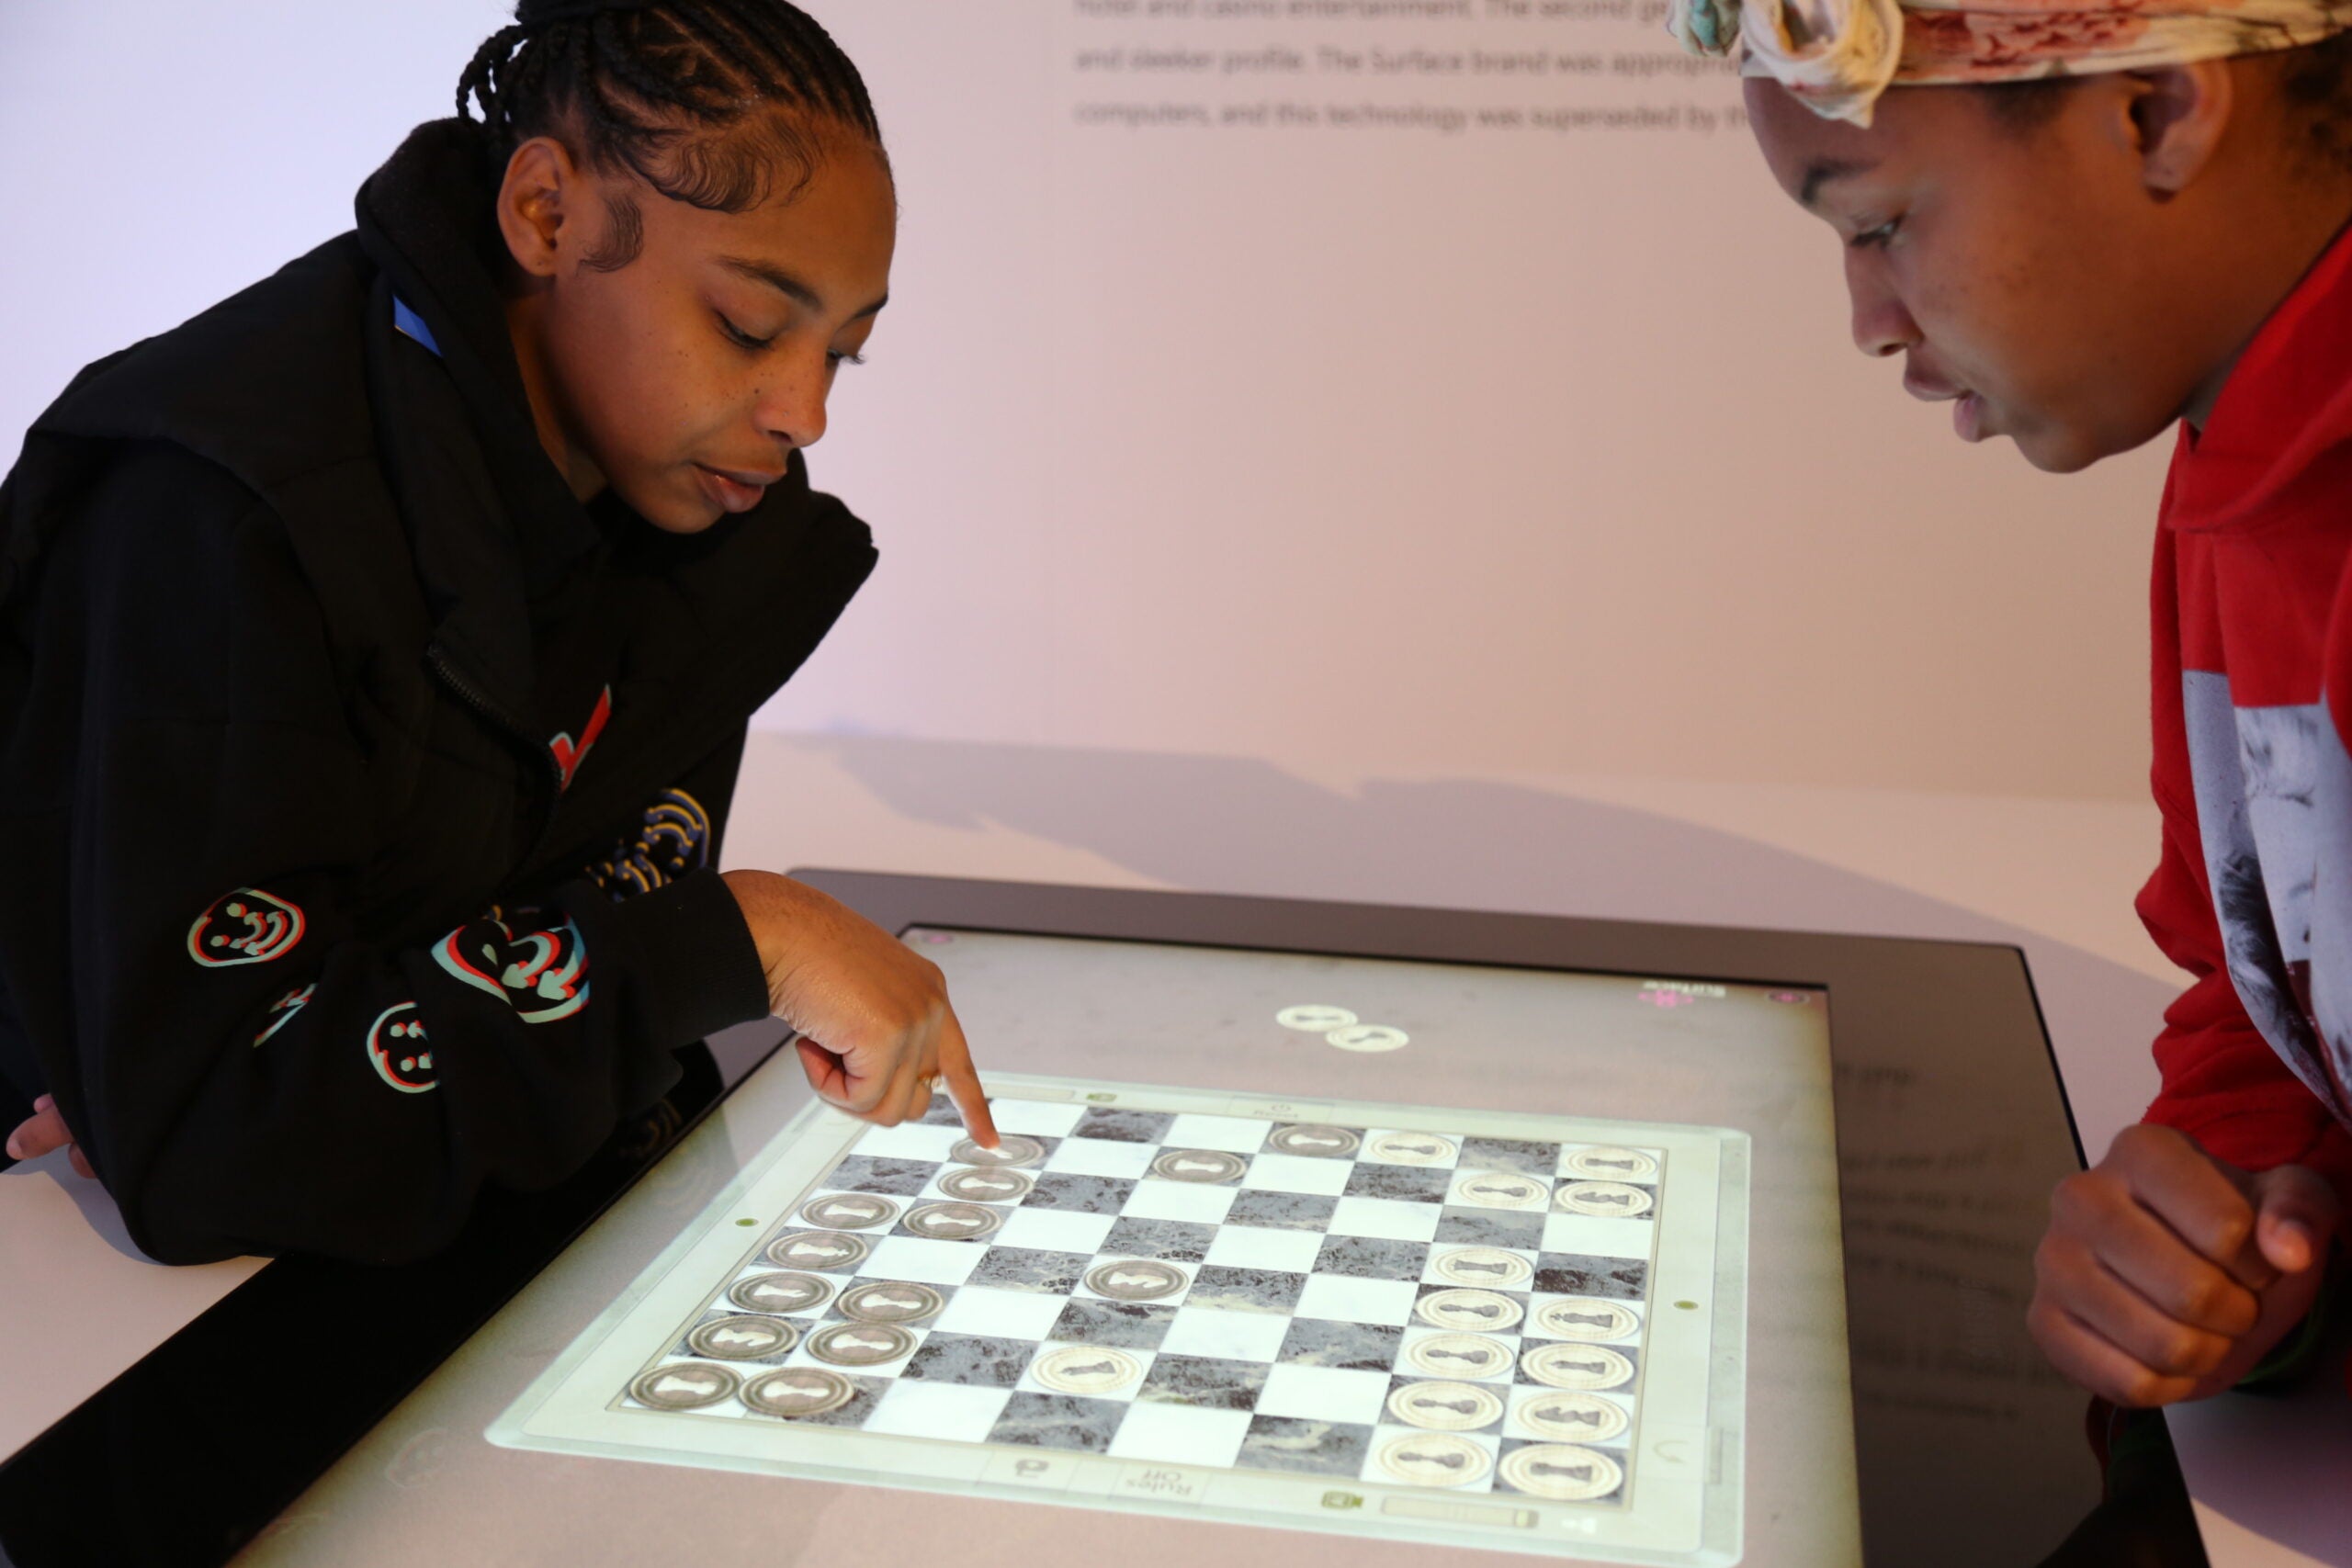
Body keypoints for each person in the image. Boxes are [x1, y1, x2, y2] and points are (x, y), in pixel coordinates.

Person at [0, 0, 997, 1266]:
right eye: (750, 327)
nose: (803, 411)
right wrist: (743, 940)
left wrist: (303, 1088)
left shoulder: (699, 533)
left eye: (842, 355)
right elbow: (224, 1142)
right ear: (546, 214)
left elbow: (470, 1029)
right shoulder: (225, 511)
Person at [1665, 0, 2352, 1407]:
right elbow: (2265, 991)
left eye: (1877, 222)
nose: (1868, 322)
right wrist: (2226, 1237)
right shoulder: (2238, 478)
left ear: (2157, 108)